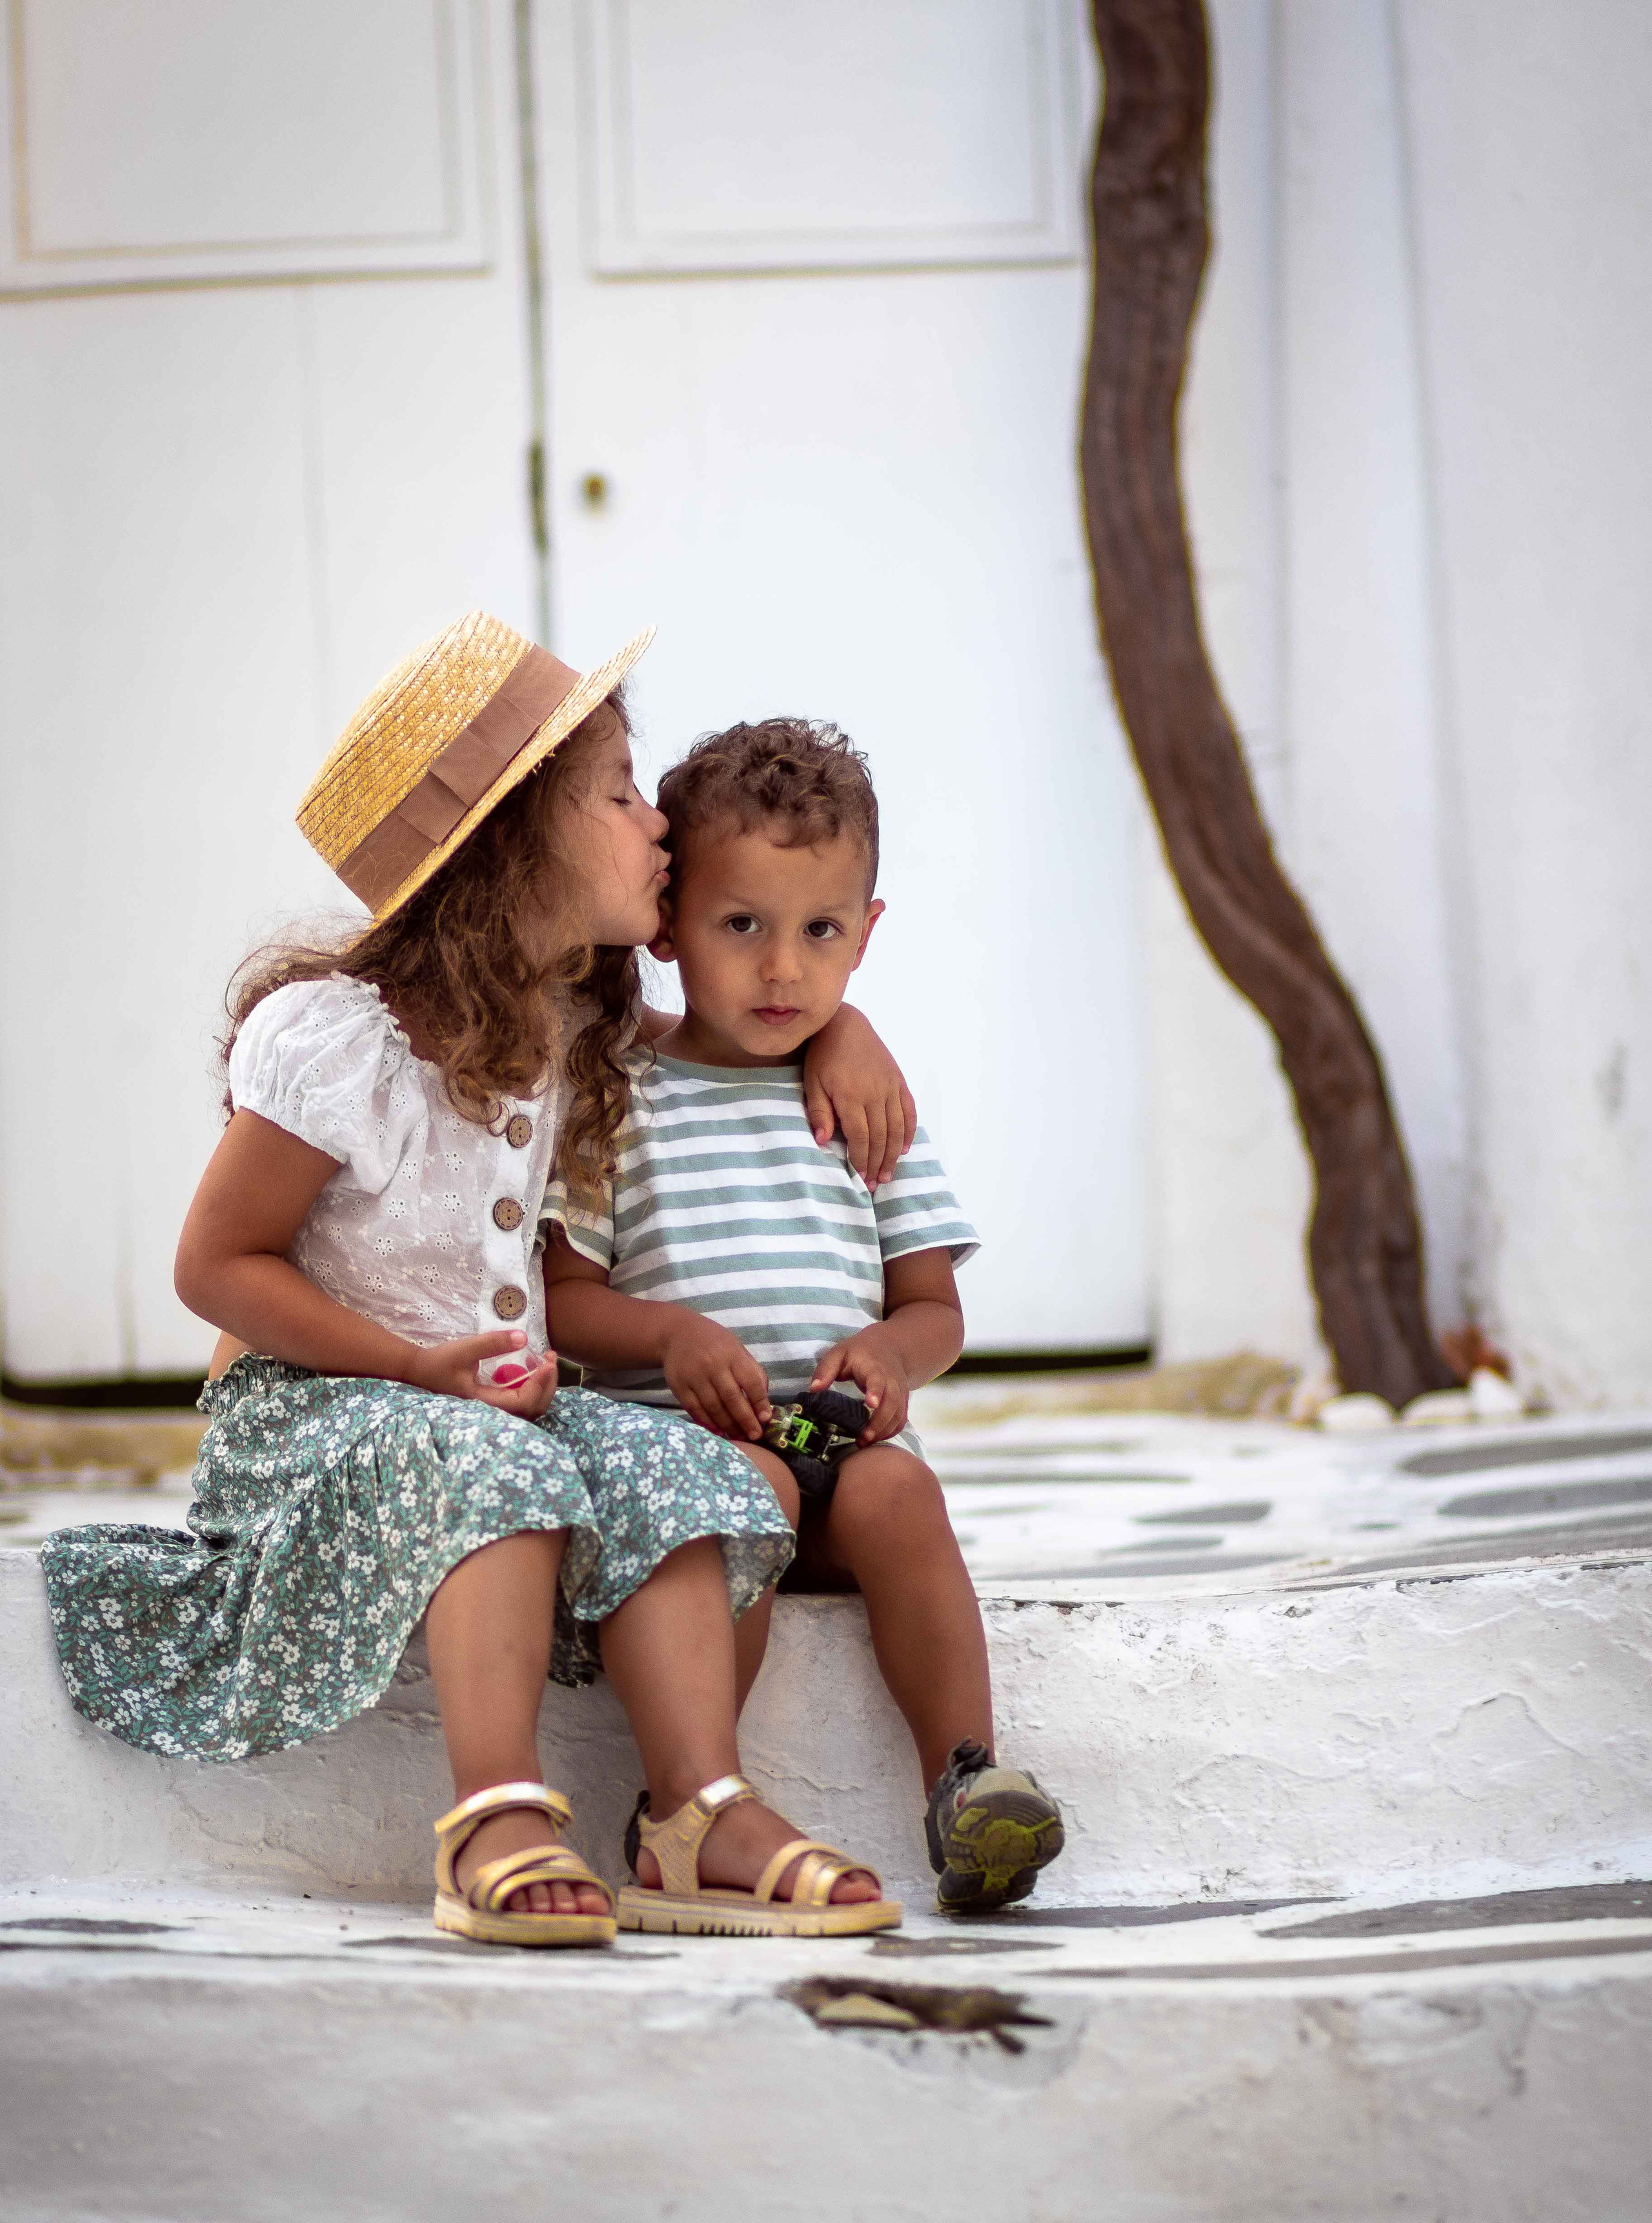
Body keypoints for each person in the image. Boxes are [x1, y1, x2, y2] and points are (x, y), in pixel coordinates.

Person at [43, 618, 918, 1946]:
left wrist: (846, 1024)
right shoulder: (340, 1042)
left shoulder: (570, 1015)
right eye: (619, 795)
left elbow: (745, 1016)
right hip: (318, 1409)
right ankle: (496, 1813)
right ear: (512, 841)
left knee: (694, 1474)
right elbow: (214, 1266)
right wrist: (410, 1366)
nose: (657, 826)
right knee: (489, 1463)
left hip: (484, 1405)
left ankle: (692, 1815)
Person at [543, 718, 1064, 1913]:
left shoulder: (865, 1104)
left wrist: (889, 1354)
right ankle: (688, 1796)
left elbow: (935, 1307)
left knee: (898, 1489)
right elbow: (565, 1300)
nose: (784, 971)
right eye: (743, 928)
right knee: (754, 1490)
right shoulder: (617, 1095)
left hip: (842, 1457)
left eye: (821, 931)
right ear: (667, 924)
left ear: (868, 932)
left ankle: (966, 1781)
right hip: (703, 1466)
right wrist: (668, 1336)